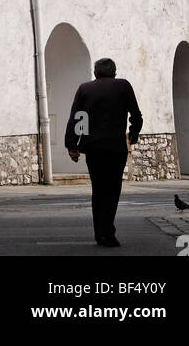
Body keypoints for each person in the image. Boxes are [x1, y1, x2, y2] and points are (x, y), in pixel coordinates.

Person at [64, 57, 143, 247]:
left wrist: (73, 145)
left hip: (93, 148)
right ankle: (108, 231)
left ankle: (100, 233)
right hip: (115, 148)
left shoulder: (85, 89)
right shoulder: (123, 86)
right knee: (113, 190)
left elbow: (77, 118)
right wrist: (133, 134)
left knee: (98, 190)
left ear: (95, 72)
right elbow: (136, 115)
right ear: (114, 72)